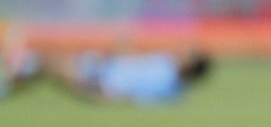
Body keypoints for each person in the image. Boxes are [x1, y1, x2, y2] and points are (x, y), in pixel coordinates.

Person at [1, 47, 210, 104]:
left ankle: (9, 82)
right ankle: (8, 86)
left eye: (189, 57)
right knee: (45, 66)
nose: (183, 54)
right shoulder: (166, 63)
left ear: (191, 66)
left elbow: (131, 96)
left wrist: (103, 95)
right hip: (105, 67)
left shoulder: (170, 85)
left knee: (46, 65)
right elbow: (132, 61)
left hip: (103, 82)